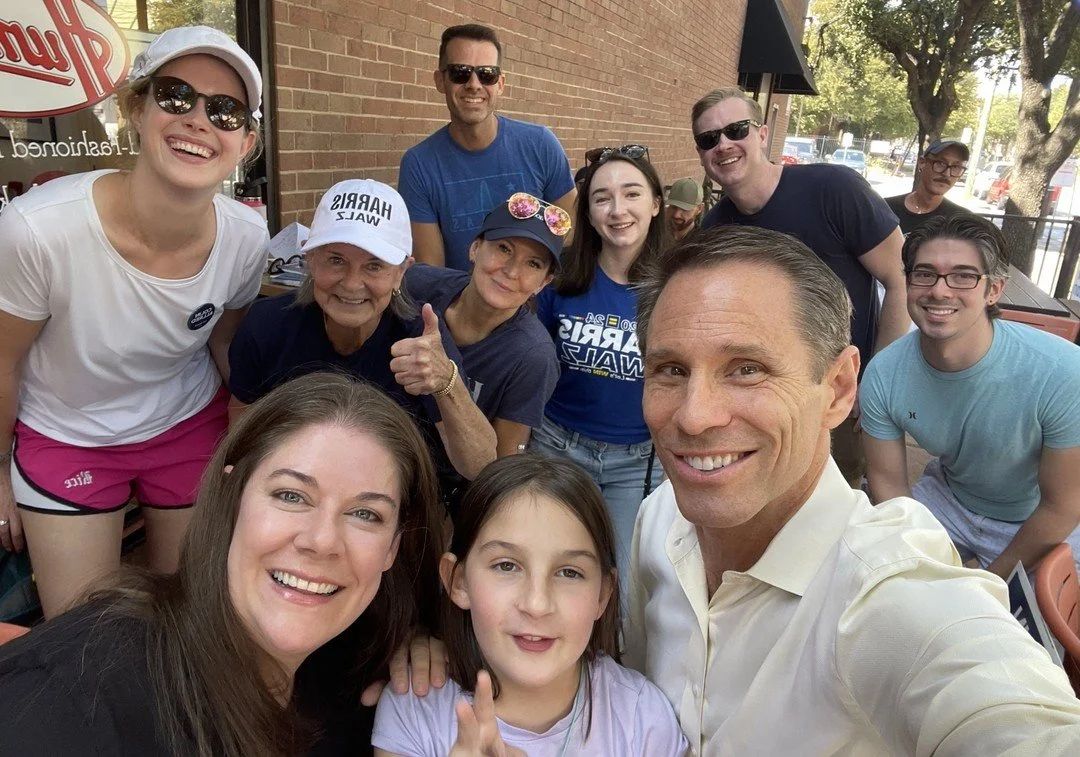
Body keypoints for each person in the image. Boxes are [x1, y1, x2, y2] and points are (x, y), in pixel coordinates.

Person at [624, 224, 1080, 754]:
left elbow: (1002, 708)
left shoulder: (889, 598)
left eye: (747, 369)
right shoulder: (658, 518)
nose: (694, 416)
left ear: (839, 390)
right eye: (670, 369)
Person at [0, 372, 445, 756]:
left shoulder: (360, 675)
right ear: (231, 498)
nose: (322, 541)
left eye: (366, 514)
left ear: (392, 548)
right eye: (291, 496)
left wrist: (425, 656)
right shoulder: (74, 698)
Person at [0, 26, 268, 617]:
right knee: (80, 632)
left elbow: (227, 347)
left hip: (184, 424)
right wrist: (0, 472)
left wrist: (257, 444)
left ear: (245, 142)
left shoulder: (248, 238)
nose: (199, 120)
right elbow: (3, 363)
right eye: (176, 96)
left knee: (189, 614)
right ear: (135, 109)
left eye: (225, 111)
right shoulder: (38, 228)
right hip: (66, 435)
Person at [372, 454, 687, 756]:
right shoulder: (415, 708)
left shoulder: (643, 719)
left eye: (569, 572)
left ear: (602, 595)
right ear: (458, 581)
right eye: (507, 566)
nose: (537, 604)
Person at [228, 179, 497, 504]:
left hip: (394, 500)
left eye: (374, 266)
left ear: (401, 272)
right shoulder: (267, 324)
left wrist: (446, 383)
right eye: (336, 260)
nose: (353, 284)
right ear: (310, 259)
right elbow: (242, 430)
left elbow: (479, 465)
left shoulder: (419, 342)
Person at [692, 87, 909, 486]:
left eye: (736, 130)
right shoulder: (715, 229)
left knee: (834, 506)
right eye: (709, 139)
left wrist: (874, 381)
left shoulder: (834, 189)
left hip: (836, 394)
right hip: (759, 398)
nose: (723, 144)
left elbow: (901, 279)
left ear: (762, 134)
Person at [861, 215, 1080, 578]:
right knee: (871, 576)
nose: (940, 291)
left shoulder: (1061, 371)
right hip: (950, 498)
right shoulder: (884, 373)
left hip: (1040, 518)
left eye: (963, 276)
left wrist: (990, 583)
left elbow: (1063, 505)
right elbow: (890, 486)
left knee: (1041, 627)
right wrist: (912, 556)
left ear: (993, 290)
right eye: (925, 273)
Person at [530, 145, 668, 584]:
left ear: (656, 204)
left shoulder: (677, 287)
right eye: (602, 198)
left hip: (637, 462)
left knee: (626, 595)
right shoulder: (561, 280)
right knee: (547, 570)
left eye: (631, 194)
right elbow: (528, 358)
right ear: (588, 214)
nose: (617, 209)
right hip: (557, 446)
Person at [398, 24, 576, 271]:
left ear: (500, 83)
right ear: (440, 80)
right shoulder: (419, 164)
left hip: (536, 301)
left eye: (487, 74)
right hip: (461, 304)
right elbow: (432, 270)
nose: (474, 84)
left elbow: (569, 233)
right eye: (460, 72)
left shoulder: (540, 144)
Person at [404, 194, 565, 456]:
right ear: (475, 248)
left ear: (543, 283)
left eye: (533, 263)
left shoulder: (533, 357)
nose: (512, 271)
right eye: (504, 248)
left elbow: (502, 463)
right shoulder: (418, 284)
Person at [885, 140, 972, 235]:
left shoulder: (962, 221)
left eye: (956, 167)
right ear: (922, 163)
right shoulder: (885, 209)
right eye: (941, 163)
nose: (946, 174)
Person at [664, 177, 704, 242]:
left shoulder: (701, 243)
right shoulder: (655, 233)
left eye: (685, 209)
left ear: (699, 209)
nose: (676, 215)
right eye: (673, 207)